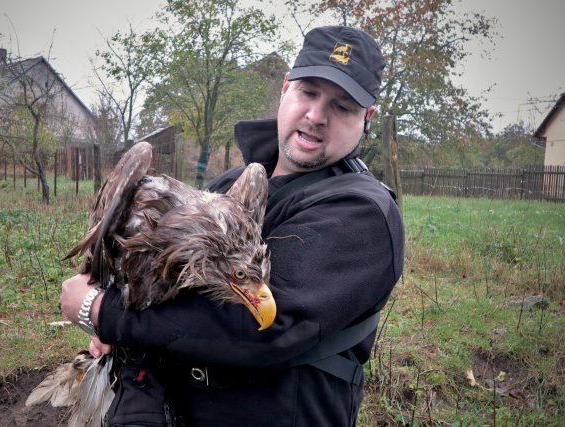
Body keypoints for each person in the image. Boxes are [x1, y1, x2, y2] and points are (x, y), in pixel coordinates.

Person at [60, 25, 404, 426]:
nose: (316, 116)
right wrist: (119, 312)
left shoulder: (362, 212)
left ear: (367, 118)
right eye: (309, 92)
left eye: (343, 106)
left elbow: (260, 328)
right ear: (286, 88)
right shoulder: (230, 185)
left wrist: (101, 311)